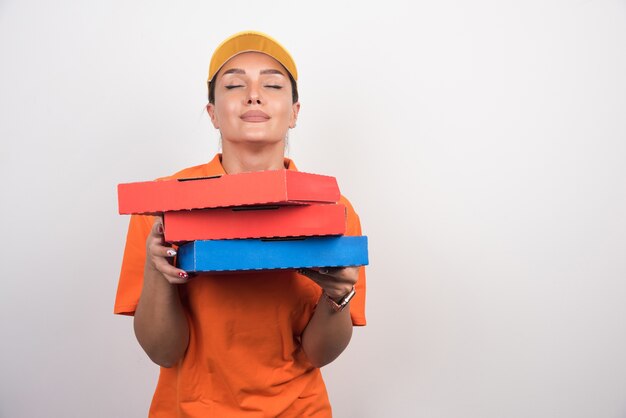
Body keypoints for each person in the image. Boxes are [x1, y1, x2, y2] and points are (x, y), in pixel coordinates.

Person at [115, 30, 367, 418]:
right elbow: (163, 352)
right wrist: (157, 270)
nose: (253, 94)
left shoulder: (334, 211)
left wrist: (337, 297)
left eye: (271, 84)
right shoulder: (162, 206)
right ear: (213, 112)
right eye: (234, 84)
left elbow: (318, 354)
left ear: (295, 112)